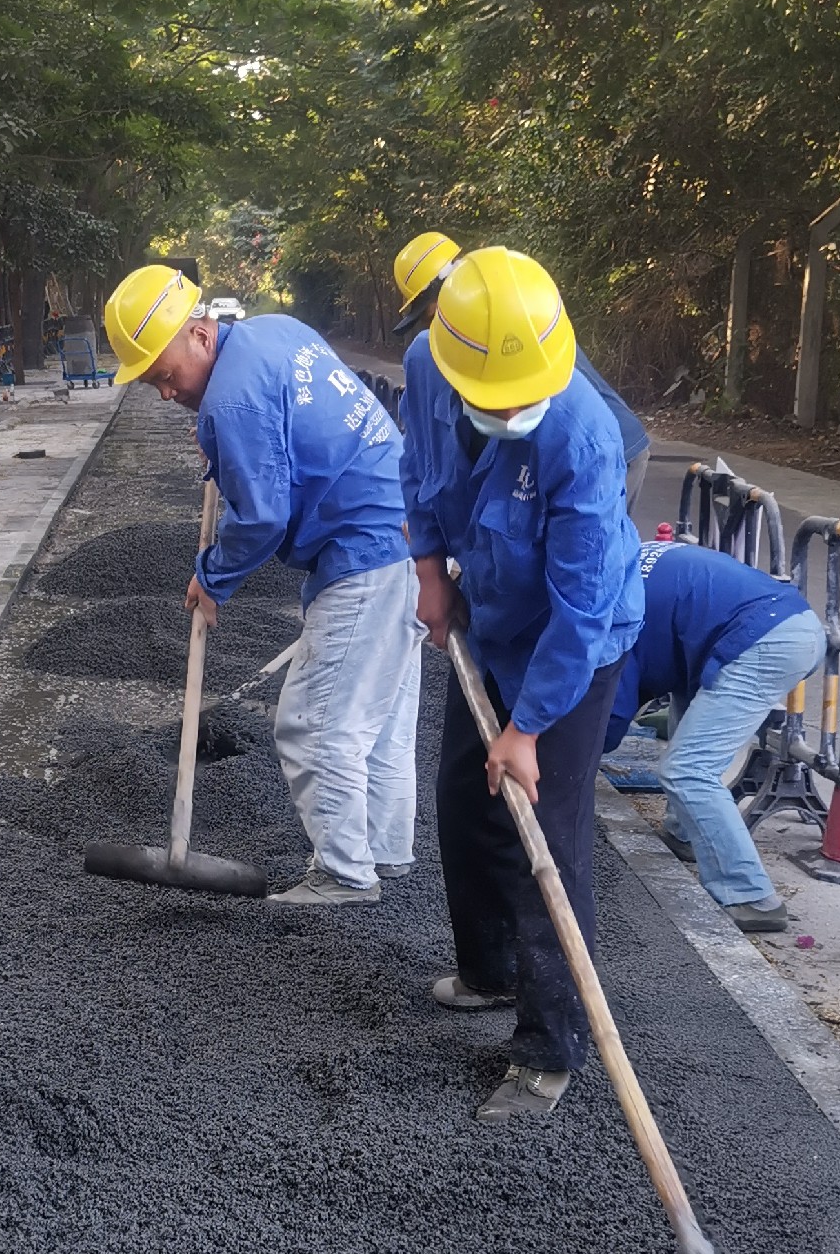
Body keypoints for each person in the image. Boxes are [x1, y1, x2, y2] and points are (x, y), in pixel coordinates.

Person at [403, 245, 643, 1118]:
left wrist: (529, 729)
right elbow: (420, 474)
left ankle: (548, 1048)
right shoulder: (429, 365)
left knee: (547, 830)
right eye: (493, 398)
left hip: (578, 644)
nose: (513, 409)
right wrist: (429, 568)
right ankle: (486, 973)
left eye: (525, 397)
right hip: (491, 619)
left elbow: (580, 609)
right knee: (466, 798)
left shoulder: (583, 432)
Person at [104, 264, 418, 906]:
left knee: (315, 724)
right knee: (378, 722)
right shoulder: (272, 333)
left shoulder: (233, 398)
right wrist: (224, 450)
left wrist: (212, 577)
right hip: (407, 533)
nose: (165, 394)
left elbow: (264, 516)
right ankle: (386, 855)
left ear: (197, 333)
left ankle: (344, 877)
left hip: (362, 550)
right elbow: (285, 434)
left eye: (164, 376)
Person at [605, 539, 826, 934]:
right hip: (763, 625)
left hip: (763, 639)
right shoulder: (619, 557)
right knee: (686, 724)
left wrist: (558, 758)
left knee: (688, 770)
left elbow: (611, 711)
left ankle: (751, 897)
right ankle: (686, 833)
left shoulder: (606, 604)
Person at [391, 230, 653, 506]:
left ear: (447, 290)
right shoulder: (483, 326)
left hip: (612, 450)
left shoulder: (507, 320)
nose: (435, 333)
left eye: (432, 318)